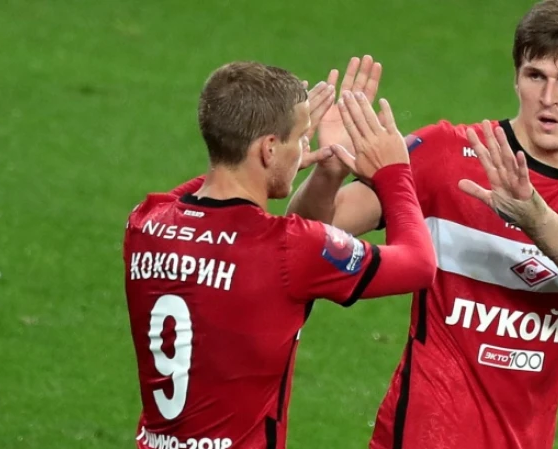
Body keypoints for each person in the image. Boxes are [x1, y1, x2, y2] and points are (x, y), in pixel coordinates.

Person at [287, 0, 558, 448]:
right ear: (516, 77)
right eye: (535, 75)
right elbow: (302, 237)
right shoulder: (444, 154)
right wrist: (329, 172)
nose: (549, 98)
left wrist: (536, 219)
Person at [123, 61, 436, 449]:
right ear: (269, 148)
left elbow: (204, 186)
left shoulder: (144, 223)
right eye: (300, 138)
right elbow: (419, 264)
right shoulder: (287, 246)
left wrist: (320, 170)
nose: (305, 146)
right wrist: (395, 172)